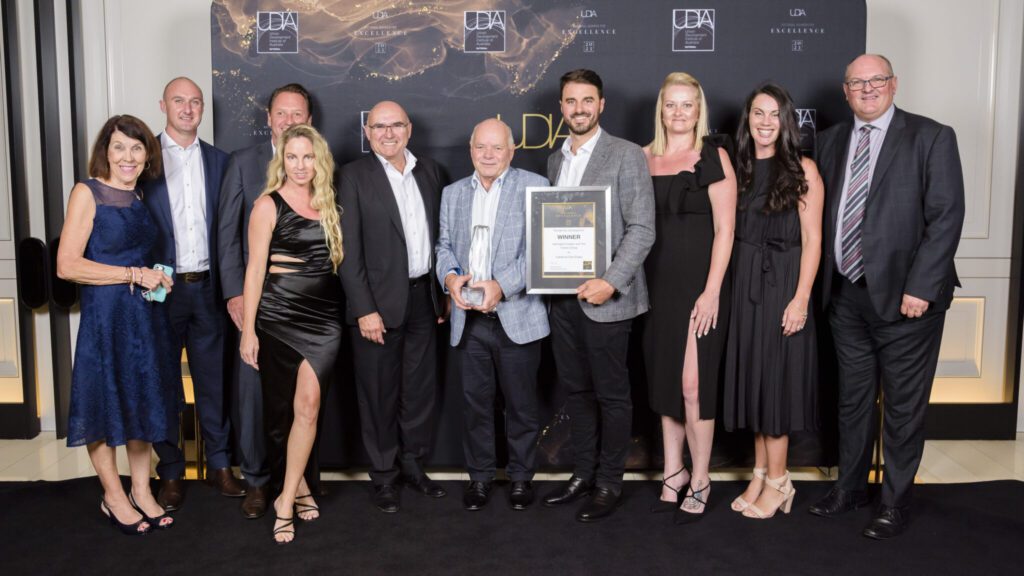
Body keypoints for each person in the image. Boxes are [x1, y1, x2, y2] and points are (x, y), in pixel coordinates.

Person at [810, 54, 965, 539]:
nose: (868, 88)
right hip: (846, 298)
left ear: (894, 84)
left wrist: (921, 287)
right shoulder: (831, 140)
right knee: (853, 401)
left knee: (902, 408)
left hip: (907, 301)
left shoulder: (931, 136)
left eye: (877, 79)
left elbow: (946, 216)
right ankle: (850, 488)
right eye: (858, 82)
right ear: (845, 91)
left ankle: (894, 503)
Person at [541, 69, 656, 522]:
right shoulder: (555, 161)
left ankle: (609, 481)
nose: (579, 109)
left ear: (601, 105)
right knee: (576, 392)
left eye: (587, 100)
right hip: (563, 299)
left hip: (607, 299)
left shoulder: (626, 154)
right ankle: (582, 473)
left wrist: (610, 281)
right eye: (571, 101)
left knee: (612, 395)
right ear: (561, 107)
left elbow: (642, 228)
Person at [57, 115, 178, 534]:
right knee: (102, 403)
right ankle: (113, 495)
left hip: (143, 317)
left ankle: (141, 491)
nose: (128, 156)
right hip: (105, 318)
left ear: (147, 155)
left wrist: (154, 275)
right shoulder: (87, 192)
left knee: (141, 401)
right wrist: (132, 274)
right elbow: (67, 265)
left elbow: (138, 258)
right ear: (105, 153)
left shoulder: (139, 194)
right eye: (120, 147)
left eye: (137, 148)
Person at [435, 119, 550, 511]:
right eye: (481, 147)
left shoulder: (535, 186)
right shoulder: (452, 193)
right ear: (471, 150)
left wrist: (502, 285)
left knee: (522, 406)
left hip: (518, 315)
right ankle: (480, 478)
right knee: (475, 406)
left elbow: (541, 249)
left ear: (511, 151)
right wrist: (450, 278)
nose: (488, 155)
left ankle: (520, 478)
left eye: (497, 147)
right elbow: (443, 246)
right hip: (468, 321)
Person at [339, 100, 448, 514]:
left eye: (396, 125)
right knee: (378, 394)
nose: (388, 133)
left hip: (423, 298)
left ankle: (413, 466)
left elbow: (441, 238)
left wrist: (441, 294)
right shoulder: (352, 176)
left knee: (418, 392)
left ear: (409, 129)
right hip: (376, 306)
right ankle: (384, 476)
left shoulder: (430, 172)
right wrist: (363, 309)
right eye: (379, 126)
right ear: (367, 132)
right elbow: (347, 252)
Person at [722, 82, 824, 519]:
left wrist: (800, 299)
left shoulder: (803, 169)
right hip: (745, 284)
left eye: (774, 114)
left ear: (786, 121)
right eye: (758, 113)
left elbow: (813, 239)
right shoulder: (739, 169)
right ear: (748, 119)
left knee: (776, 386)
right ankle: (761, 474)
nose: (766, 122)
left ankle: (781, 482)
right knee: (757, 385)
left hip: (783, 283)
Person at [143, 76, 244, 511]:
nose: (187, 108)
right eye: (179, 101)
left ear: (203, 108)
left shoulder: (222, 162)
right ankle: (170, 471)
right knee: (164, 382)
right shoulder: (142, 158)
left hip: (208, 289)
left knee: (213, 382)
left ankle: (220, 466)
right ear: (163, 105)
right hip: (161, 292)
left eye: (196, 102)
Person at [239, 124, 344, 544]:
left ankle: (286, 497)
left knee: (309, 407)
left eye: (307, 157)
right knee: (282, 412)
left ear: (319, 160)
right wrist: (248, 330)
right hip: (279, 317)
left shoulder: (329, 202)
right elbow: (254, 271)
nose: (300, 165)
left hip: (325, 320)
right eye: (292, 157)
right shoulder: (268, 204)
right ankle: (294, 490)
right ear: (281, 160)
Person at [640, 72, 736, 524]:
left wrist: (712, 291)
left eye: (687, 105)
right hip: (654, 286)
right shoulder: (642, 157)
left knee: (693, 386)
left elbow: (726, 230)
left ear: (699, 112)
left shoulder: (713, 156)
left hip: (700, 286)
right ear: (661, 110)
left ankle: (700, 477)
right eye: (671, 104)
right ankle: (672, 471)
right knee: (666, 381)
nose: (678, 113)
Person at [219, 83, 313, 518]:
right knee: (254, 394)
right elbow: (227, 235)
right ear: (269, 118)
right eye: (281, 113)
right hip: (258, 302)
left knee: (303, 398)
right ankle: (257, 482)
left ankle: (299, 481)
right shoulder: (242, 163)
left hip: (306, 307)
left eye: (297, 114)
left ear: (308, 120)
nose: (289, 120)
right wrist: (235, 294)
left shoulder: (319, 164)